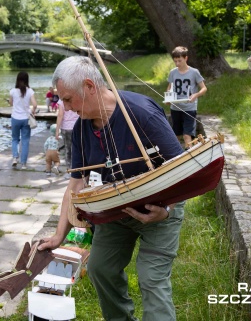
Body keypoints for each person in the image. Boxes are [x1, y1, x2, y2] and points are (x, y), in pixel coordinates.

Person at [39, 56, 185, 321]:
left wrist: (166, 208)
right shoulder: (83, 128)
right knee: (100, 268)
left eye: (69, 99)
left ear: (90, 86)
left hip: (160, 208)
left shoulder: (141, 113)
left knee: (151, 278)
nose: (67, 108)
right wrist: (60, 235)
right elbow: (76, 182)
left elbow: (180, 168)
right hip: (115, 210)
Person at [165, 46, 207, 149]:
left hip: (189, 108)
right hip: (175, 108)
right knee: (176, 136)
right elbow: (169, 88)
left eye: (180, 61)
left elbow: (204, 88)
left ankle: (191, 156)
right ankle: (176, 157)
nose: (177, 64)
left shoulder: (194, 72)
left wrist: (195, 95)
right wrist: (168, 99)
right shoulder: (173, 72)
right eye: (175, 61)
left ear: (186, 58)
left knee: (187, 135)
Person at [9, 71, 37, 169]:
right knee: (25, 141)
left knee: (15, 139)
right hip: (26, 119)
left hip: (15, 118)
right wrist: (32, 112)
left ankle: (15, 158)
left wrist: (14, 103)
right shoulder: (30, 91)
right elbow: (35, 105)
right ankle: (24, 164)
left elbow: (11, 103)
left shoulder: (13, 91)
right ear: (27, 80)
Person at [55, 98, 79, 170]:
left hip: (66, 127)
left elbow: (60, 115)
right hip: (77, 126)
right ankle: (77, 168)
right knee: (77, 149)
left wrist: (57, 130)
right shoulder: (76, 96)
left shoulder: (62, 99)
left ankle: (69, 169)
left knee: (68, 149)